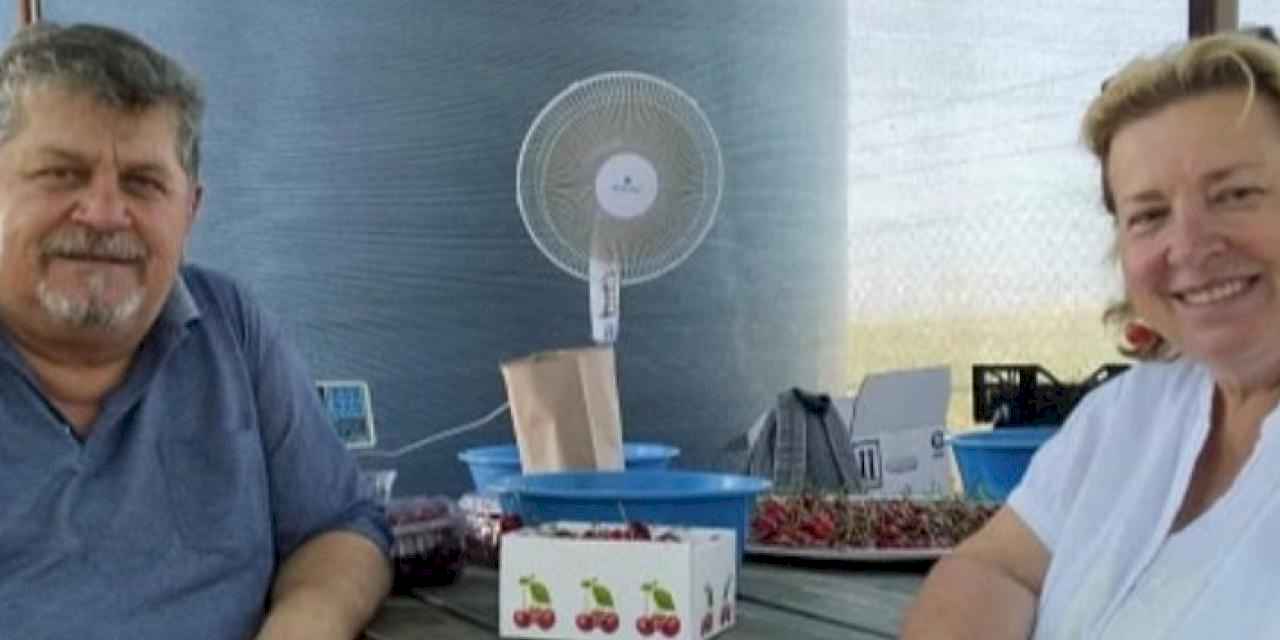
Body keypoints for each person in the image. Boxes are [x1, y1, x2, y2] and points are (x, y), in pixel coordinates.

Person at [0, 23, 392, 639]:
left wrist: (303, 626)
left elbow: (338, 526)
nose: (104, 214)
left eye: (143, 183)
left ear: (189, 211)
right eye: (61, 174)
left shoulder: (229, 327)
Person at [902, 30, 1280, 639]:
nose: (1188, 245)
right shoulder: (1130, 414)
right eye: (1149, 215)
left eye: (1235, 194)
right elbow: (998, 566)